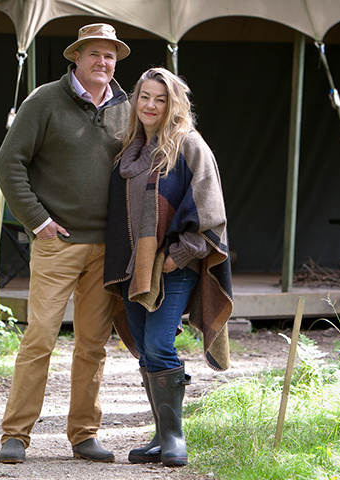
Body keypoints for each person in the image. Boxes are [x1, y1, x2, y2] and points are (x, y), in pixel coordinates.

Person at [0, 23, 131, 464]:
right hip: (58, 242)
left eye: (110, 56)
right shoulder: (45, 100)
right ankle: (15, 435)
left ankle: (84, 434)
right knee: (39, 339)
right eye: (94, 54)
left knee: (93, 343)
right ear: (76, 57)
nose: (103, 63)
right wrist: (38, 221)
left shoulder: (127, 108)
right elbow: (7, 163)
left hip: (105, 247)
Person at [103, 68, 234, 467]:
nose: (151, 105)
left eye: (160, 98)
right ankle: (160, 436)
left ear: (173, 103)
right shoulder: (128, 149)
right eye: (144, 97)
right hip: (132, 268)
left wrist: (177, 256)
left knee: (160, 344)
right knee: (146, 349)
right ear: (136, 100)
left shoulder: (190, 146)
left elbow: (211, 212)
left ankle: (175, 437)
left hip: (174, 267)